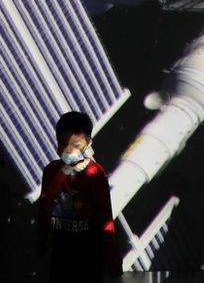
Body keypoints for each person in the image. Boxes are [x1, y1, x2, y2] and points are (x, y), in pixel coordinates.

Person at [37, 111, 122, 282]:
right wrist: (40, 242)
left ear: (88, 143)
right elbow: (44, 208)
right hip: (60, 256)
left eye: (75, 145)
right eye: (62, 144)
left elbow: (105, 216)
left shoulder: (95, 174)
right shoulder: (51, 171)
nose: (68, 150)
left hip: (89, 257)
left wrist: (113, 260)